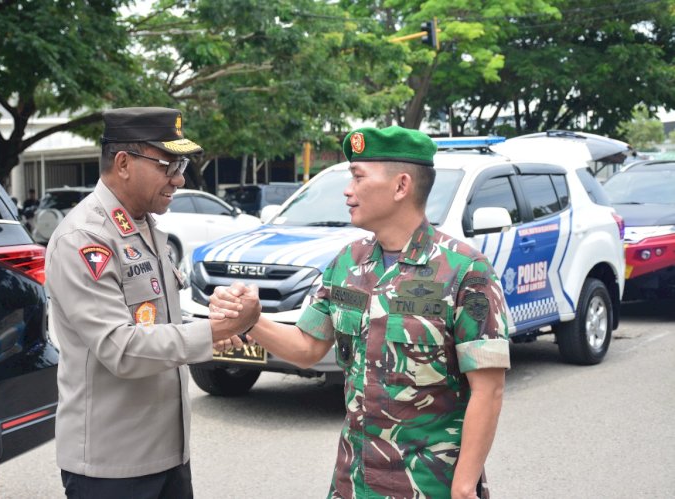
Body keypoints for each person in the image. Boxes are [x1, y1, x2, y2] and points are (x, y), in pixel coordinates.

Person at [211, 126, 510, 499]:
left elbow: (489, 388)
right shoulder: (347, 264)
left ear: (401, 186)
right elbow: (307, 347)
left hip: (430, 484)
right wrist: (251, 320)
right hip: (354, 482)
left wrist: (464, 487)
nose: (347, 190)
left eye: (357, 177)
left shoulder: (466, 271)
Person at [45, 107, 257, 498]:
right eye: (168, 164)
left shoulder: (145, 226)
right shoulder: (84, 239)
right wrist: (212, 332)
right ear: (123, 163)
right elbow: (120, 348)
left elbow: (162, 324)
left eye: (182, 164)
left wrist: (217, 319)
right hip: (112, 467)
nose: (179, 178)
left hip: (168, 455)